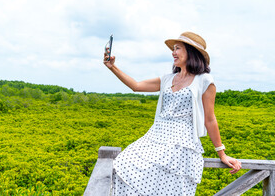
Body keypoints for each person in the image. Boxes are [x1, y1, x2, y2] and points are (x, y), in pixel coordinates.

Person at [103, 32, 241, 195]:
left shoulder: (204, 80)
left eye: (178, 48)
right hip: (154, 137)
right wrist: (113, 67)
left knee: (166, 186)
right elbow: (136, 86)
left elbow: (210, 119)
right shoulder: (168, 78)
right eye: (173, 49)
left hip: (181, 142)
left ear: (191, 52)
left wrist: (222, 153)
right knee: (123, 165)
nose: (173, 52)